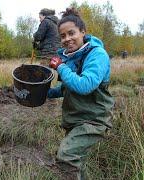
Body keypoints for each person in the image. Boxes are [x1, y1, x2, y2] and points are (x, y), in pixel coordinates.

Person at [48, 8, 114, 179]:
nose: (67, 39)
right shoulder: (70, 57)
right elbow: (67, 88)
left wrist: (61, 67)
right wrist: (43, 93)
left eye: (72, 33)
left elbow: (85, 86)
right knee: (77, 163)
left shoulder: (97, 55)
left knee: (66, 156)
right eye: (62, 36)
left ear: (83, 32)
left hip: (94, 120)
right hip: (75, 120)